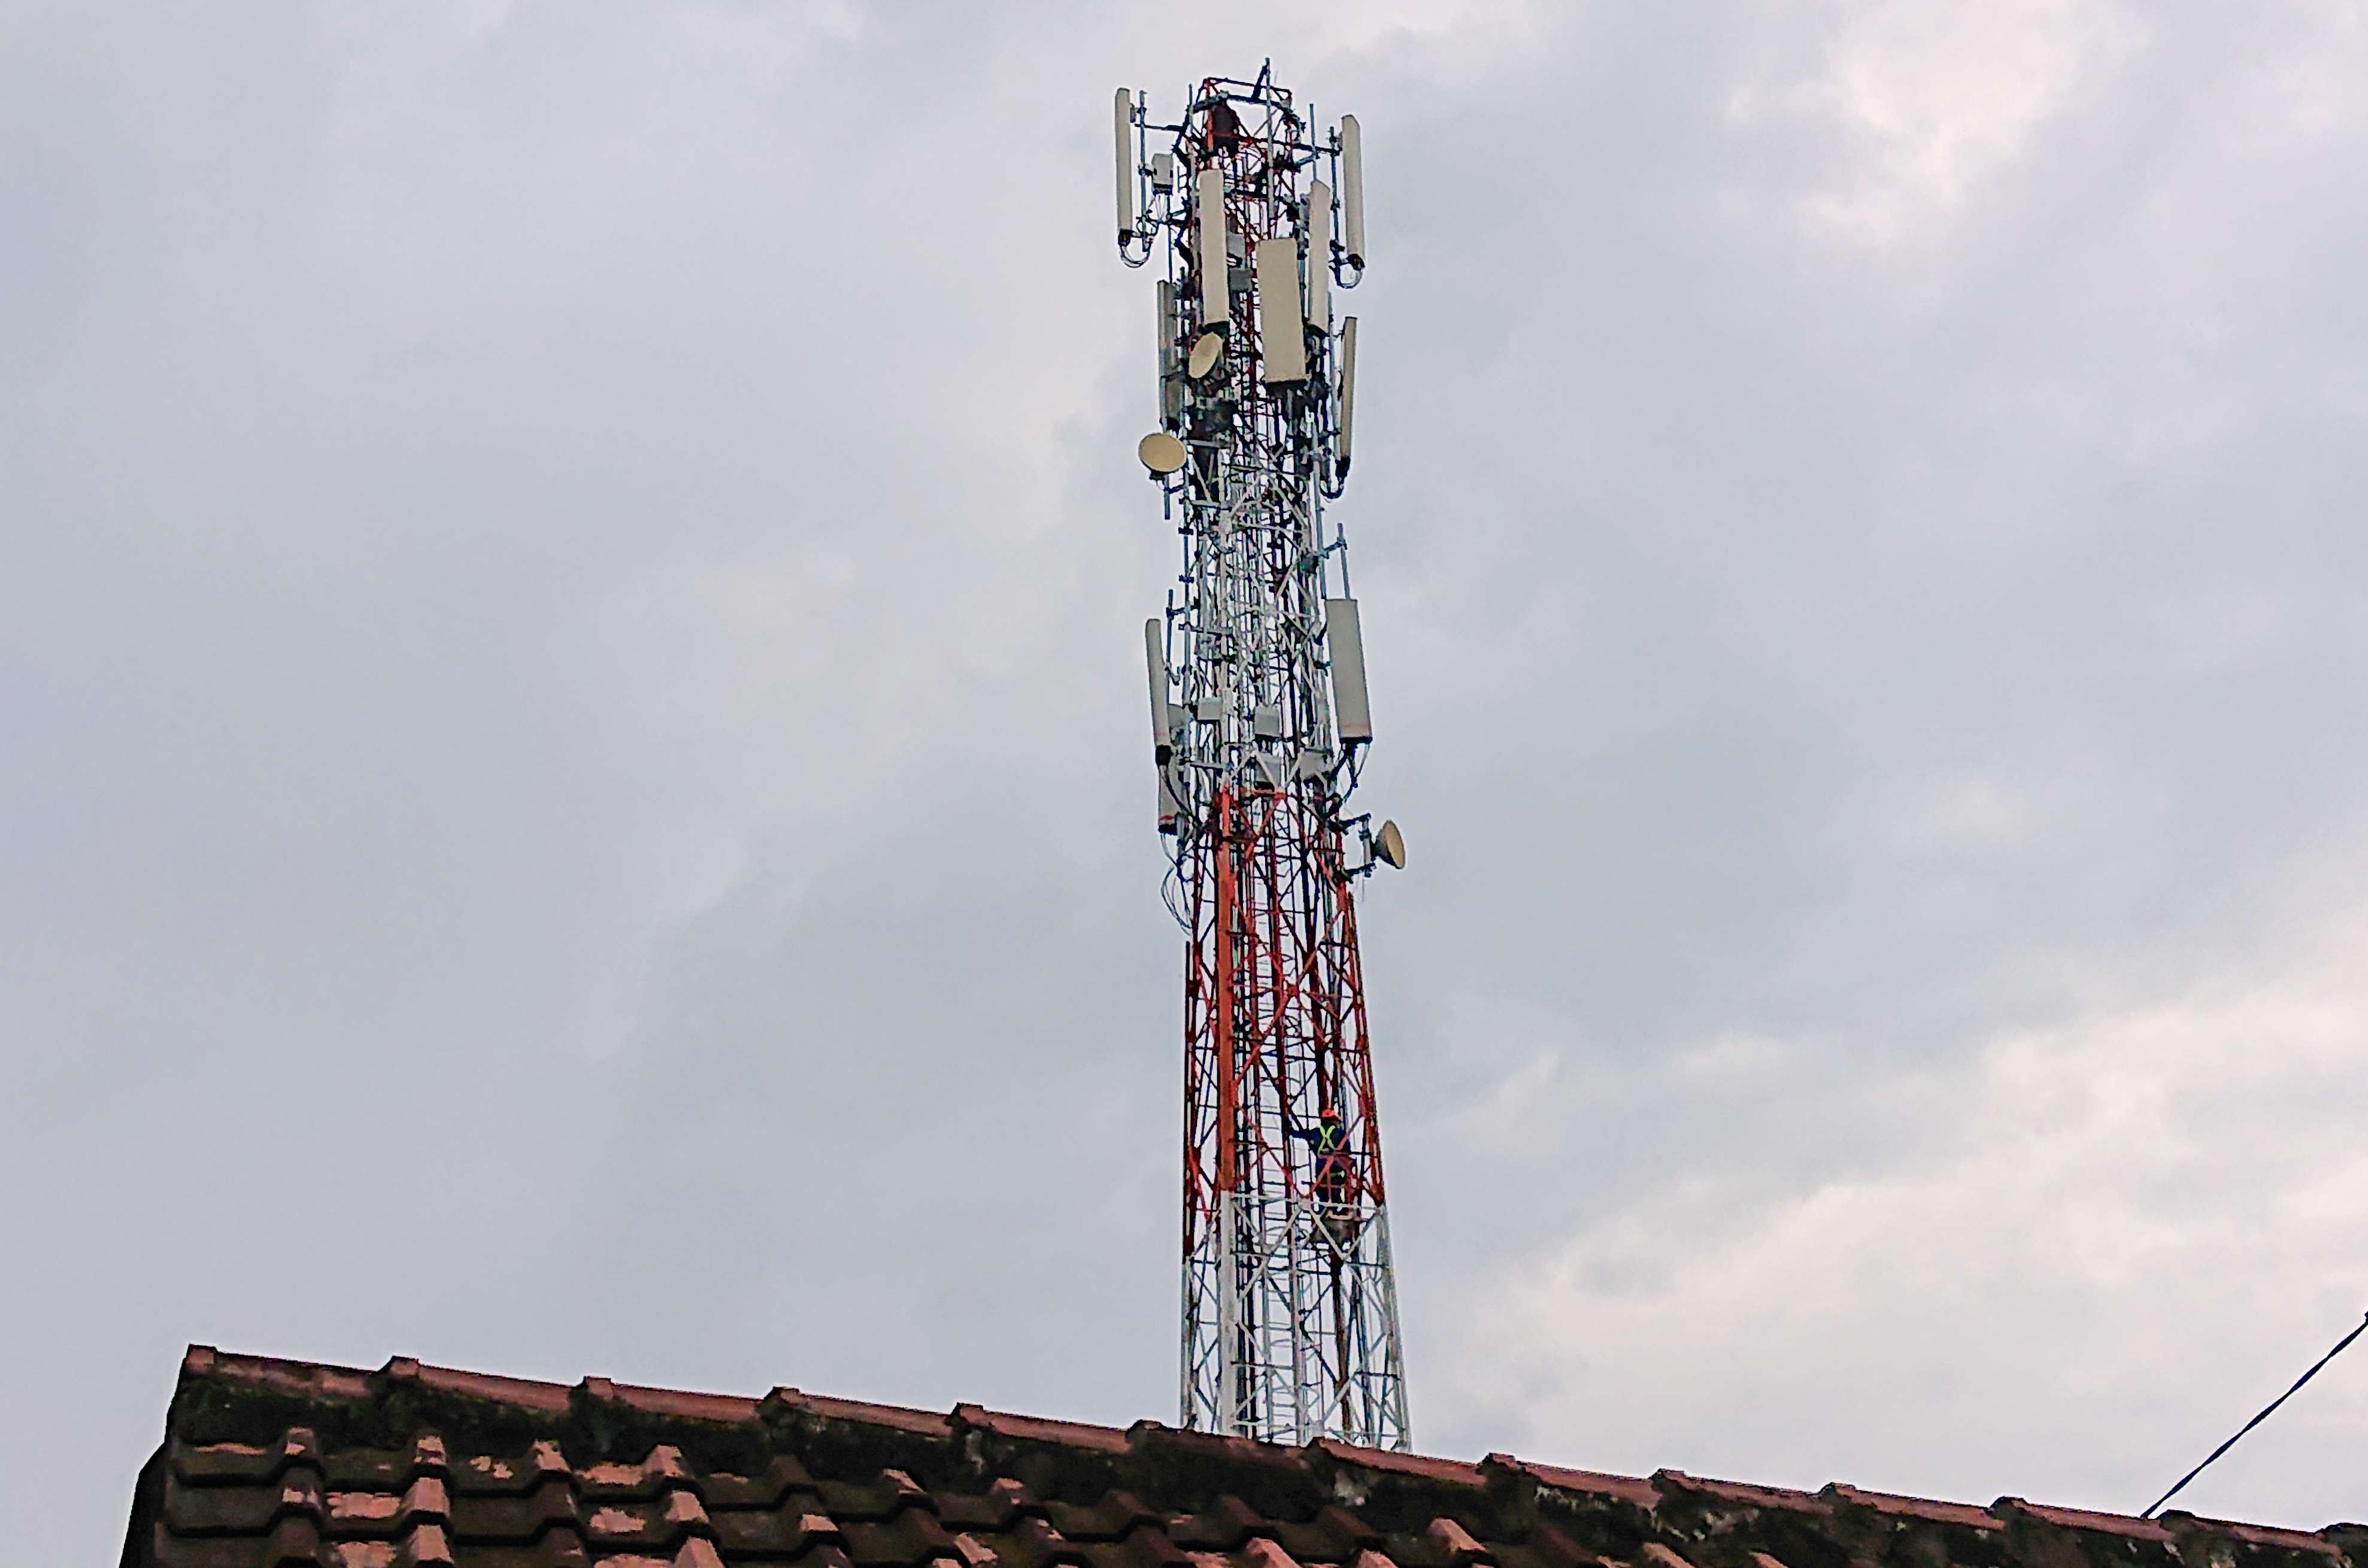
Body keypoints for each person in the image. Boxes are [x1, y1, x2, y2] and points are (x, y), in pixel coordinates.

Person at [1288, 1105, 1355, 1205]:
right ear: (1335, 1121)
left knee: (1323, 1196)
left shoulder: (1315, 1133)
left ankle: (1324, 1212)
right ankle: (1338, 1211)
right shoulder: (1339, 1133)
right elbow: (1347, 1150)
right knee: (1335, 1194)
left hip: (1321, 1170)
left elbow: (1300, 1135)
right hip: (1336, 1169)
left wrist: (1288, 1128)